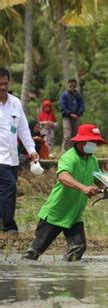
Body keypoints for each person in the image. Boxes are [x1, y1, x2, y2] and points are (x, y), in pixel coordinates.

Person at [22, 124, 106, 261]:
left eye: (96, 142)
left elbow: (99, 180)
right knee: (34, 252)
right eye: (92, 141)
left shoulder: (93, 160)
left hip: (74, 214)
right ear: (81, 142)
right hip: (56, 212)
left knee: (78, 247)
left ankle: (68, 278)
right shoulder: (69, 157)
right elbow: (63, 177)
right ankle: (23, 274)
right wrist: (84, 188)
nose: (94, 145)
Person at [0, 67, 39, 234]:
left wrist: (31, 150)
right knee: (10, 187)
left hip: (13, 158)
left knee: (6, 189)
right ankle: (9, 226)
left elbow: (23, 130)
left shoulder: (15, 103)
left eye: (5, 84)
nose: (2, 87)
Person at [60, 79, 84, 152]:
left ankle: (73, 151)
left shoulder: (78, 95)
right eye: (70, 85)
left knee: (75, 136)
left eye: (73, 85)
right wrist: (70, 113)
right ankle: (64, 152)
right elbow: (62, 107)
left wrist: (78, 114)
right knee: (67, 136)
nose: (72, 87)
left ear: (76, 85)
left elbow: (82, 105)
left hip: (76, 117)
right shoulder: (64, 95)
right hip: (67, 117)